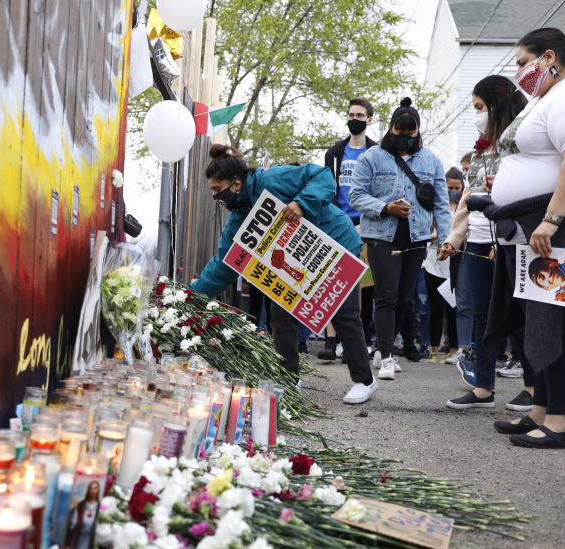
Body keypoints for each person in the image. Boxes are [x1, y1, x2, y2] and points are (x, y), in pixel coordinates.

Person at [472, 28, 565, 449]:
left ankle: (559, 423)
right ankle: (540, 410)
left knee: (560, 318)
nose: (518, 72)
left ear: (548, 57)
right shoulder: (547, 100)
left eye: (522, 62)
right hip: (539, 221)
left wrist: (551, 219)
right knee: (539, 318)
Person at [191, 144, 378, 404]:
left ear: (235, 184)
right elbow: (224, 263)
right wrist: (191, 296)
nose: (216, 197)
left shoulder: (272, 179)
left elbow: (322, 176)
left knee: (345, 315)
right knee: (280, 314)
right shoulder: (238, 217)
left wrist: (302, 204)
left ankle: (365, 381)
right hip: (299, 266)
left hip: (337, 244)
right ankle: (290, 380)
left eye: (216, 190)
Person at [437, 75, 530, 412]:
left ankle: (533, 387)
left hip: (506, 240)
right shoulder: (479, 149)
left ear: (496, 105)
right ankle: (482, 387)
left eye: (479, 107)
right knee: (481, 316)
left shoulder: (521, 142)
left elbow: (525, 196)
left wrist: (503, 236)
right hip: (476, 240)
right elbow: (467, 199)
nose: (476, 114)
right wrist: (453, 238)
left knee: (516, 315)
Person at [350, 98, 452, 381]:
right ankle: (386, 355)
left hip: (417, 238)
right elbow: (355, 195)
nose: (404, 138)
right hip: (382, 236)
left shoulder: (431, 161)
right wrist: (385, 208)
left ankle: (383, 349)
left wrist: (446, 239)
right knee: (386, 295)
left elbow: (442, 204)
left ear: (418, 132)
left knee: (404, 299)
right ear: (390, 129)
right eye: (399, 131)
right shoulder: (370, 157)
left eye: (410, 133)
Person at [318, 98, 378, 362]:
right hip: (338, 223)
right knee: (333, 280)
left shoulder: (377, 152)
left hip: (365, 223)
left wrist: (364, 221)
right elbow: (328, 187)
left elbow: (379, 189)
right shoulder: (334, 153)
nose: (355, 118)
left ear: (369, 119)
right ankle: (331, 340)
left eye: (360, 114)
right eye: (351, 114)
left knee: (362, 286)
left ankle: (356, 341)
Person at [424, 168, 463, 362]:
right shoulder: (436, 205)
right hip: (433, 260)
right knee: (435, 308)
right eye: (450, 187)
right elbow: (427, 230)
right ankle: (434, 350)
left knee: (453, 308)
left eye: (457, 187)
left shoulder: (463, 207)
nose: (453, 191)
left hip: (454, 262)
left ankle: (454, 349)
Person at [66, 480, 100, 549]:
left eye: (95, 488)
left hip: (91, 539)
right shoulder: (81, 505)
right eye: (91, 488)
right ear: (88, 490)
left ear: (98, 490)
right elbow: (72, 525)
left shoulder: (100, 506)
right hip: (79, 537)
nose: (93, 491)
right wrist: (75, 510)